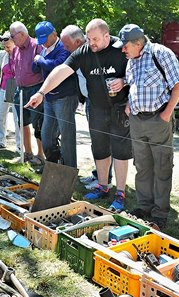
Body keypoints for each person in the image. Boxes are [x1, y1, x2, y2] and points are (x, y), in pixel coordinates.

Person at [26, 19, 131, 211]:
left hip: (120, 108)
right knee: (100, 149)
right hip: (97, 107)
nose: (91, 44)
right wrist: (41, 92)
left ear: (107, 36)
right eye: (89, 39)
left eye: (96, 39)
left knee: (120, 151)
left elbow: (137, 70)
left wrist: (124, 82)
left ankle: (121, 193)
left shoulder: (120, 48)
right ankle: (102, 186)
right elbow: (61, 70)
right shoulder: (85, 51)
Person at [115, 24, 179, 229]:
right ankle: (144, 206)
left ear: (138, 43)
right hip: (137, 120)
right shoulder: (131, 60)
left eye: (125, 45)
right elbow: (133, 84)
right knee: (142, 166)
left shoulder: (161, 53)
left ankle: (160, 212)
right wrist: (130, 105)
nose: (123, 49)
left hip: (158, 119)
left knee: (162, 167)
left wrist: (166, 114)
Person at [60, 25, 114, 189]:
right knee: (96, 142)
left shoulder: (93, 52)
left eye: (68, 46)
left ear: (77, 41)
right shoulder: (79, 54)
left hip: (103, 103)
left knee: (104, 143)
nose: (66, 50)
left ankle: (105, 179)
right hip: (91, 101)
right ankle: (99, 175)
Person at [33, 21, 79, 168]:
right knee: (46, 137)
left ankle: (69, 171)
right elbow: (36, 68)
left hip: (65, 97)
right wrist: (38, 61)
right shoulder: (43, 50)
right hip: (49, 97)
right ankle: (54, 167)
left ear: (54, 34)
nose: (43, 43)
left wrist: (40, 60)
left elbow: (57, 67)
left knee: (67, 136)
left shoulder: (63, 47)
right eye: (41, 41)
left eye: (45, 39)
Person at [10, 21, 45, 165]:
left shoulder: (37, 46)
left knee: (38, 123)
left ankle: (40, 155)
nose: (12, 39)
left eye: (13, 36)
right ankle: (27, 153)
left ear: (22, 34)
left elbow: (43, 68)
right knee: (22, 122)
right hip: (20, 90)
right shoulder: (16, 49)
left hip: (35, 88)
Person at [0, 32, 18, 150]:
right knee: (1, 116)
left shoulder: (19, 55)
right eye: (4, 46)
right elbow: (2, 72)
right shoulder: (2, 55)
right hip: (3, 88)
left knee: (17, 118)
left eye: (8, 46)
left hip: (16, 89)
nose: (6, 49)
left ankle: (19, 146)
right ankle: (1, 141)